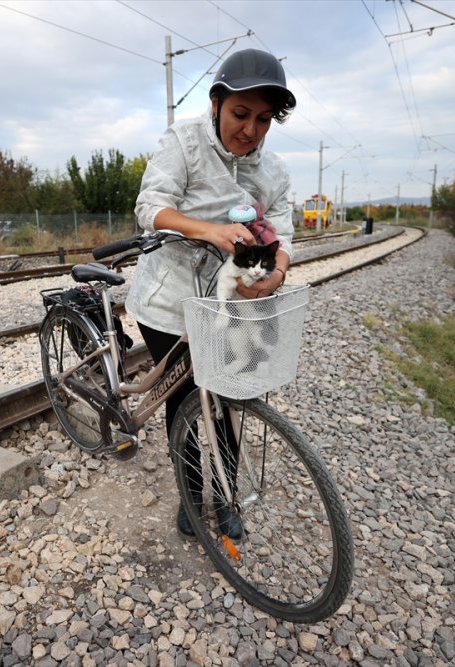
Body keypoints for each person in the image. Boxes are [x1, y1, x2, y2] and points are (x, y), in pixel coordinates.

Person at [125, 48, 296, 538]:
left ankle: (223, 496)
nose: (250, 130)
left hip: (231, 305)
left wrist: (278, 272)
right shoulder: (183, 142)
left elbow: (282, 231)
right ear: (217, 102)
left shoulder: (274, 172)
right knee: (183, 404)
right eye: (241, 114)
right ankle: (191, 490)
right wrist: (208, 230)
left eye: (264, 120)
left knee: (225, 401)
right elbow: (151, 207)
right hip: (169, 301)